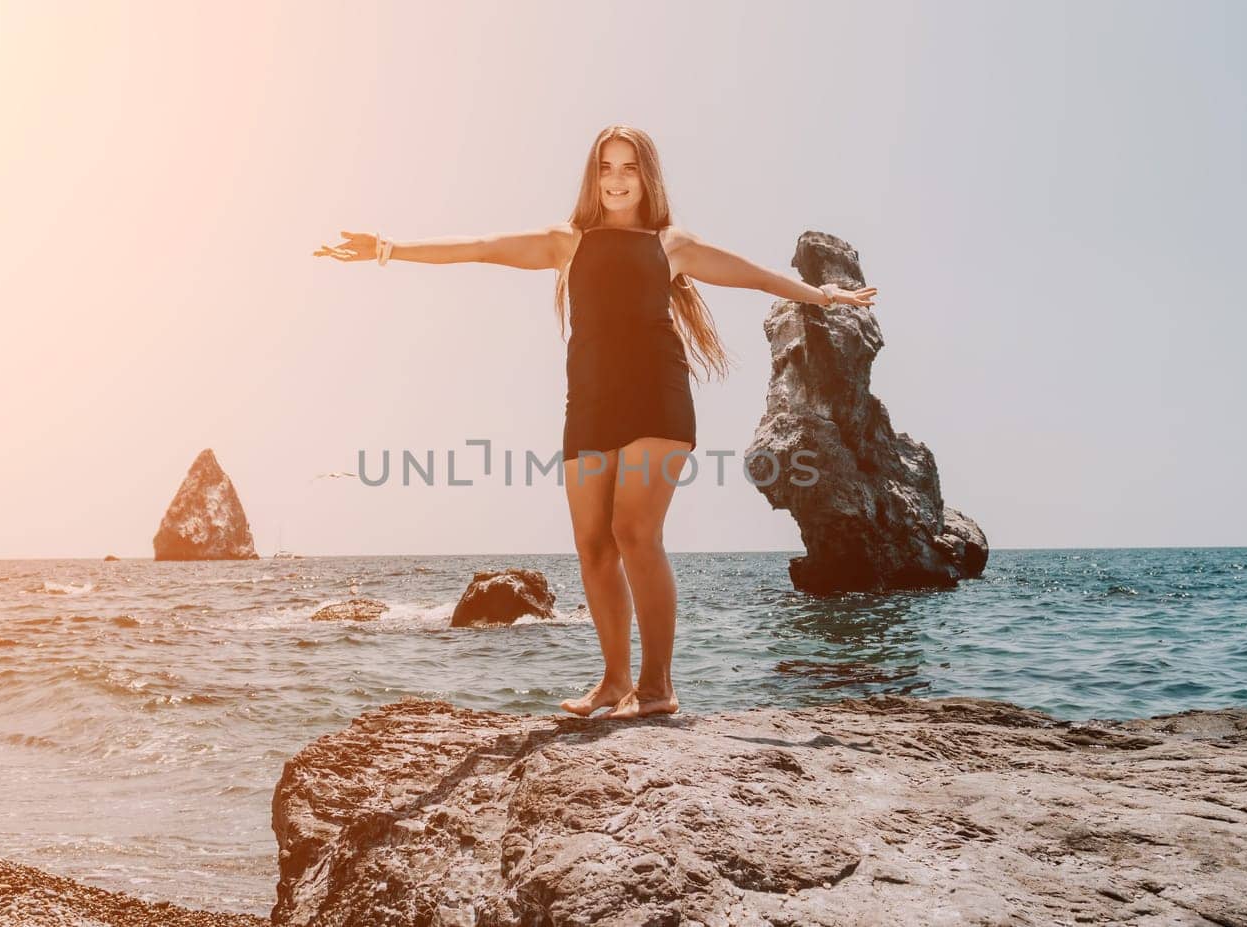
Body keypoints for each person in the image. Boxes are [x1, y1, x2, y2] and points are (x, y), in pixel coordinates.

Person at [312, 124, 877, 719]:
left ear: (647, 175)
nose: (615, 178)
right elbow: (481, 246)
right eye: (606, 167)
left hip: (657, 395)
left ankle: (657, 687)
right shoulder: (569, 241)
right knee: (591, 545)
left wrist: (826, 298)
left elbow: (755, 275)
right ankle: (614, 683)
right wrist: (388, 248)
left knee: (634, 532)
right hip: (588, 402)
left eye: (628, 167)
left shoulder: (670, 244)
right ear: (593, 175)